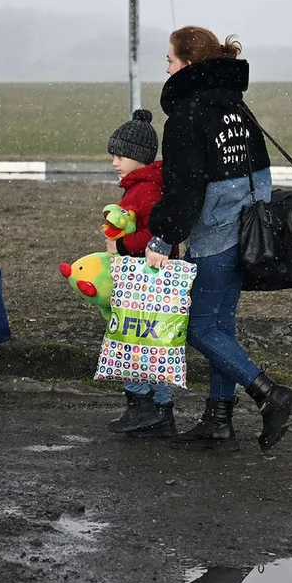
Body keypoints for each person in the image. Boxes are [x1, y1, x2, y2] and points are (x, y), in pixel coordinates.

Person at [143, 26, 292, 453]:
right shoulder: (236, 107)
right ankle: (218, 419)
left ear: (189, 66)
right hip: (250, 234)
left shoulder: (186, 117)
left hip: (215, 238)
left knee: (198, 329)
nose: (166, 67)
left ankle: (271, 394)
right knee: (221, 328)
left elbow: (186, 189)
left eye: (171, 60)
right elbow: (261, 174)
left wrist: (162, 238)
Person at [100, 109, 182, 437]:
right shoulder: (143, 186)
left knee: (132, 345)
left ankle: (143, 406)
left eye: (120, 156)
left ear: (139, 158)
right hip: (150, 281)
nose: (115, 162)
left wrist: (118, 245)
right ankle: (160, 412)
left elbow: (154, 236)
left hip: (146, 280)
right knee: (150, 348)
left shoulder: (145, 191)